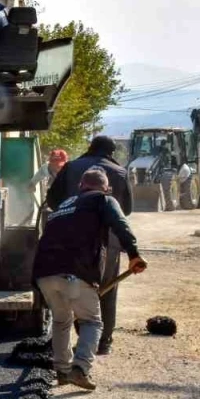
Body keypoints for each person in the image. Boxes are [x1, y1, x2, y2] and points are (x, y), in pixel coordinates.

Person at [34, 167, 146, 390]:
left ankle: (62, 371)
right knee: (92, 322)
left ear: (80, 187)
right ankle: (80, 369)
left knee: (61, 320)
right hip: (76, 271)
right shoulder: (104, 200)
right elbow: (121, 224)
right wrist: (133, 254)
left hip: (44, 273)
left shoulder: (64, 206)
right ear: (107, 188)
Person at [46, 135, 133, 355]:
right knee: (107, 288)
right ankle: (102, 342)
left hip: (69, 238)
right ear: (111, 152)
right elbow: (127, 210)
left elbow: (53, 200)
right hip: (107, 241)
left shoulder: (72, 166)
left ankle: (66, 344)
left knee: (70, 287)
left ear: (90, 147)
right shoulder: (120, 172)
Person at [15, 148, 68, 227]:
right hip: (52, 196)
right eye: (55, 164)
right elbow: (34, 180)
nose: (58, 168)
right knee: (45, 213)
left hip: (66, 198)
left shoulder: (69, 169)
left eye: (60, 165)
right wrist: (32, 185)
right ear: (50, 162)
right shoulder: (45, 168)